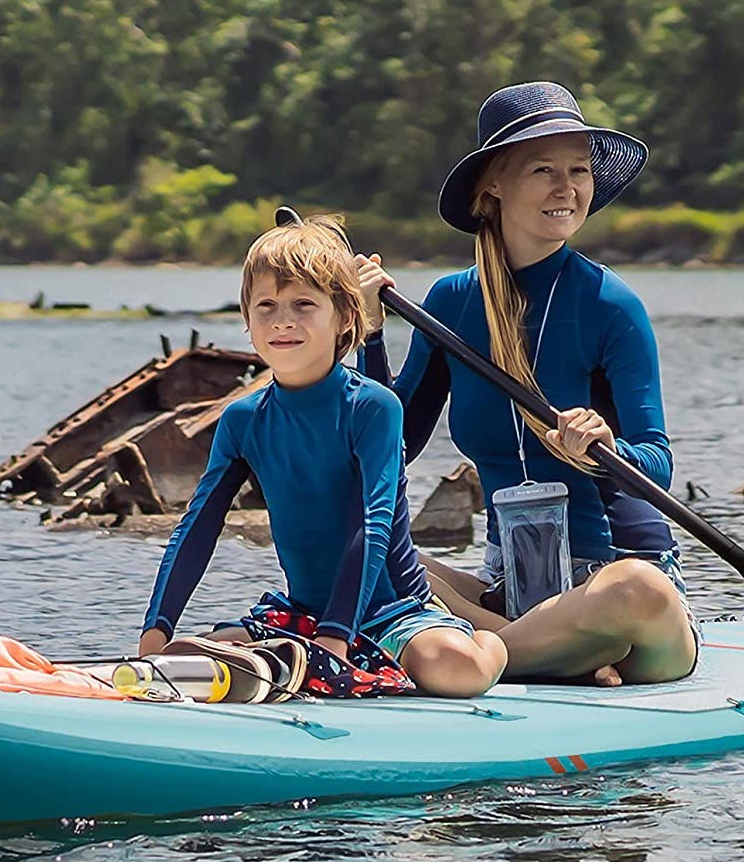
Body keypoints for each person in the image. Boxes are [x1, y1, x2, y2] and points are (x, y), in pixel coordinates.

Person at [355, 81, 697, 686]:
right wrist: (372, 335)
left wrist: (606, 452)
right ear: (493, 185)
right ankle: (539, 655)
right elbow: (390, 447)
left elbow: (657, 464)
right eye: (544, 169)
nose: (567, 188)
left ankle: (482, 654)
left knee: (637, 588)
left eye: (579, 170)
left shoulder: (610, 304)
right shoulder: (450, 303)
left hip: (621, 592)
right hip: (509, 587)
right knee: (356, 545)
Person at [137, 218, 507, 699]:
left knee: (458, 670)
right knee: (184, 656)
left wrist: (336, 639)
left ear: (345, 320)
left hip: (391, 610)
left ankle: (494, 640)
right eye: (265, 306)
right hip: (302, 615)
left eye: (303, 305)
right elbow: (198, 526)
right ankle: (273, 656)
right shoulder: (243, 419)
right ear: (247, 322)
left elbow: (371, 526)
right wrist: (155, 634)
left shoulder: (373, 406)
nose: (282, 321)